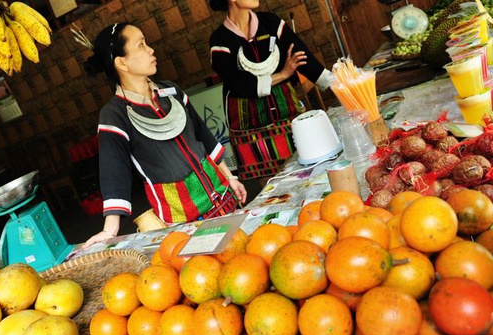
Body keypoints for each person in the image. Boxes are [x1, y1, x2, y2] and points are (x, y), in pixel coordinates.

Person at [83, 23, 247, 246]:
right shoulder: (114, 115)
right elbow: (114, 171)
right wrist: (110, 230)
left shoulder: (171, 90)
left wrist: (230, 178)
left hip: (224, 197)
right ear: (122, 62)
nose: (151, 50)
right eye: (141, 45)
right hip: (183, 218)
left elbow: (203, 135)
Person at [209, 0, 332, 181]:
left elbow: (303, 57)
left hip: (286, 114)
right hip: (249, 128)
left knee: (308, 173)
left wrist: (339, 83)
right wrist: (283, 74)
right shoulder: (219, 40)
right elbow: (239, 84)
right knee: (270, 186)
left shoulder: (271, 23)